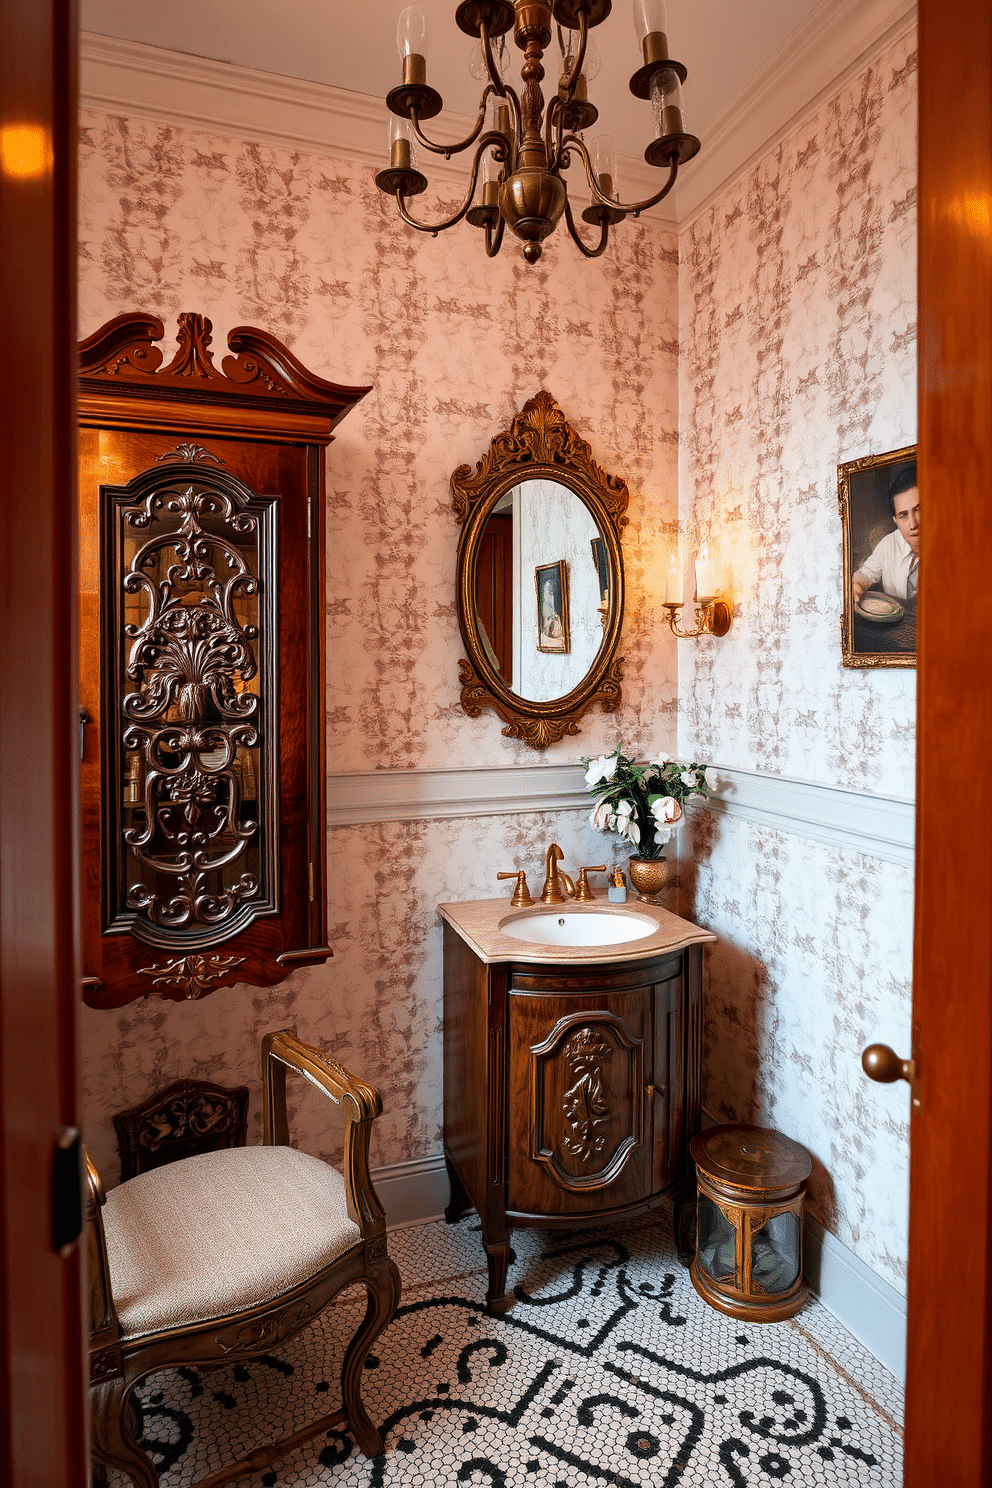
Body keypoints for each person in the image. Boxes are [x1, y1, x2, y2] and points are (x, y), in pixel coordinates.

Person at [852, 463, 920, 607]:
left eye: (918, 510)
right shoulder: (889, 543)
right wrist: (855, 584)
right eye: (903, 516)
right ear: (895, 520)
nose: (913, 524)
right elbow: (866, 574)